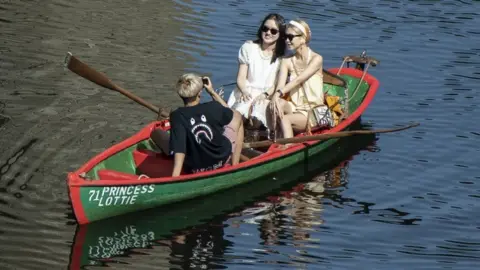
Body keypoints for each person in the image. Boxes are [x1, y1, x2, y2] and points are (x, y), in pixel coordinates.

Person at [169, 73, 244, 176]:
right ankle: (235, 166)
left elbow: (179, 148)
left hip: (194, 169)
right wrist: (212, 92)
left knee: (157, 133)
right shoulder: (213, 107)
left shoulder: (176, 116)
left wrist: (175, 176)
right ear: (200, 92)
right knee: (237, 115)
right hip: (220, 161)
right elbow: (229, 113)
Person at [227, 13, 286, 129]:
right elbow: (241, 78)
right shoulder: (248, 47)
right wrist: (244, 91)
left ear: (280, 34)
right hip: (246, 91)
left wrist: (265, 95)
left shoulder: (282, 57)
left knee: (256, 119)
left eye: (273, 31)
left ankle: (251, 140)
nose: (268, 33)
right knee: (238, 116)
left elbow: (276, 85)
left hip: (266, 95)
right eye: (265, 28)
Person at [269, 19, 325, 139]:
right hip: (294, 107)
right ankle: (273, 136)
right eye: (285, 37)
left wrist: (279, 92)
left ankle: (287, 145)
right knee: (275, 104)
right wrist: (275, 98)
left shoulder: (316, 59)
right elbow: (280, 86)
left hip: (311, 110)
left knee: (286, 119)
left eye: (290, 37)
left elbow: (298, 80)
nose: (287, 40)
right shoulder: (286, 61)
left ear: (303, 39)